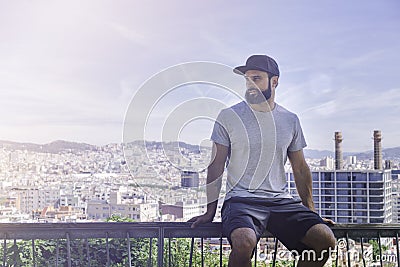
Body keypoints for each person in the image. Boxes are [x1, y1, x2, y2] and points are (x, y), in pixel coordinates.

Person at [189, 55, 336, 267]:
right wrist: (209, 212)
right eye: (247, 79)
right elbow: (216, 166)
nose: (250, 85)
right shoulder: (228, 116)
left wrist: (311, 212)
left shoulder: (290, 120)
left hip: (281, 202)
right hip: (241, 200)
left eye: (256, 78)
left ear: (274, 81)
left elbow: (300, 168)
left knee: (326, 240)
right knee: (243, 241)